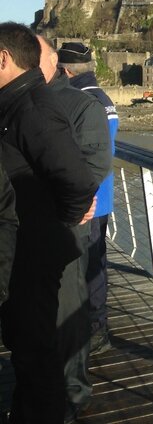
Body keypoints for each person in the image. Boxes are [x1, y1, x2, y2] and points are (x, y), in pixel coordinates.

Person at [0, 23, 97, 423]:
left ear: (2, 59)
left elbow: (77, 180)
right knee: (28, 350)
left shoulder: (33, 108)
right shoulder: (17, 102)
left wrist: (61, 218)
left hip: (32, 250)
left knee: (37, 354)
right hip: (22, 246)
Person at [38, 36, 111, 421]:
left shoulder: (79, 105)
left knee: (76, 292)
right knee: (89, 277)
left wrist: (72, 201)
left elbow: (90, 166)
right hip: (90, 207)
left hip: (77, 213)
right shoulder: (96, 102)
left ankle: (70, 391)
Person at [56, 41, 118, 356]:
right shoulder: (104, 99)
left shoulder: (78, 101)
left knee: (84, 268)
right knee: (96, 263)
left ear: (65, 70)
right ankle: (95, 328)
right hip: (102, 197)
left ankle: (93, 331)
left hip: (85, 200)